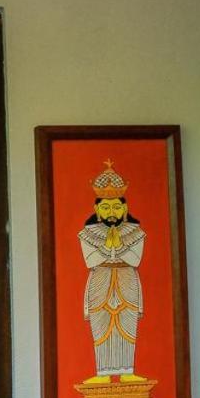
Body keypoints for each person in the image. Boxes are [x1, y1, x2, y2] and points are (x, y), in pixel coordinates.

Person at [78, 160, 145, 385]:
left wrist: (119, 246)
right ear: (97, 209)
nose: (111, 212)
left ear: (124, 208)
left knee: (127, 323)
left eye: (116, 207)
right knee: (101, 325)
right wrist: (108, 246)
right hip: (100, 279)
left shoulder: (136, 232)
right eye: (106, 207)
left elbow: (135, 259)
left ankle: (127, 371)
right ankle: (102, 373)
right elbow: (90, 260)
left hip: (127, 279)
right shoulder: (87, 233)